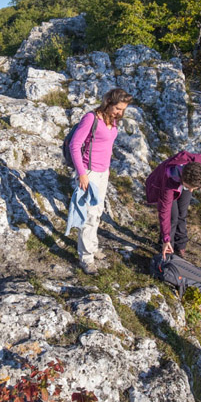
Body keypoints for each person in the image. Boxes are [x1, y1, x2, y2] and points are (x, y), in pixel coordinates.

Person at [68, 88, 133, 274]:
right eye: (118, 108)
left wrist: (106, 168)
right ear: (108, 103)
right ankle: (86, 257)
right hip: (89, 173)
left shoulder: (112, 119)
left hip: (103, 172)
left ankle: (92, 246)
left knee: (97, 212)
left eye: (123, 109)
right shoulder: (91, 118)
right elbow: (74, 145)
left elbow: (106, 144)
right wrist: (82, 174)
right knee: (88, 215)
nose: (120, 113)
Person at [145, 151, 201, 258]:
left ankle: (180, 245)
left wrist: (197, 184)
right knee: (172, 217)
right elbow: (164, 212)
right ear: (182, 179)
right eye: (188, 187)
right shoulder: (168, 181)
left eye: (194, 188)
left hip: (188, 179)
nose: (191, 191)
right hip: (170, 181)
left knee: (182, 213)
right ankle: (167, 248)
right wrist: (166, 238)